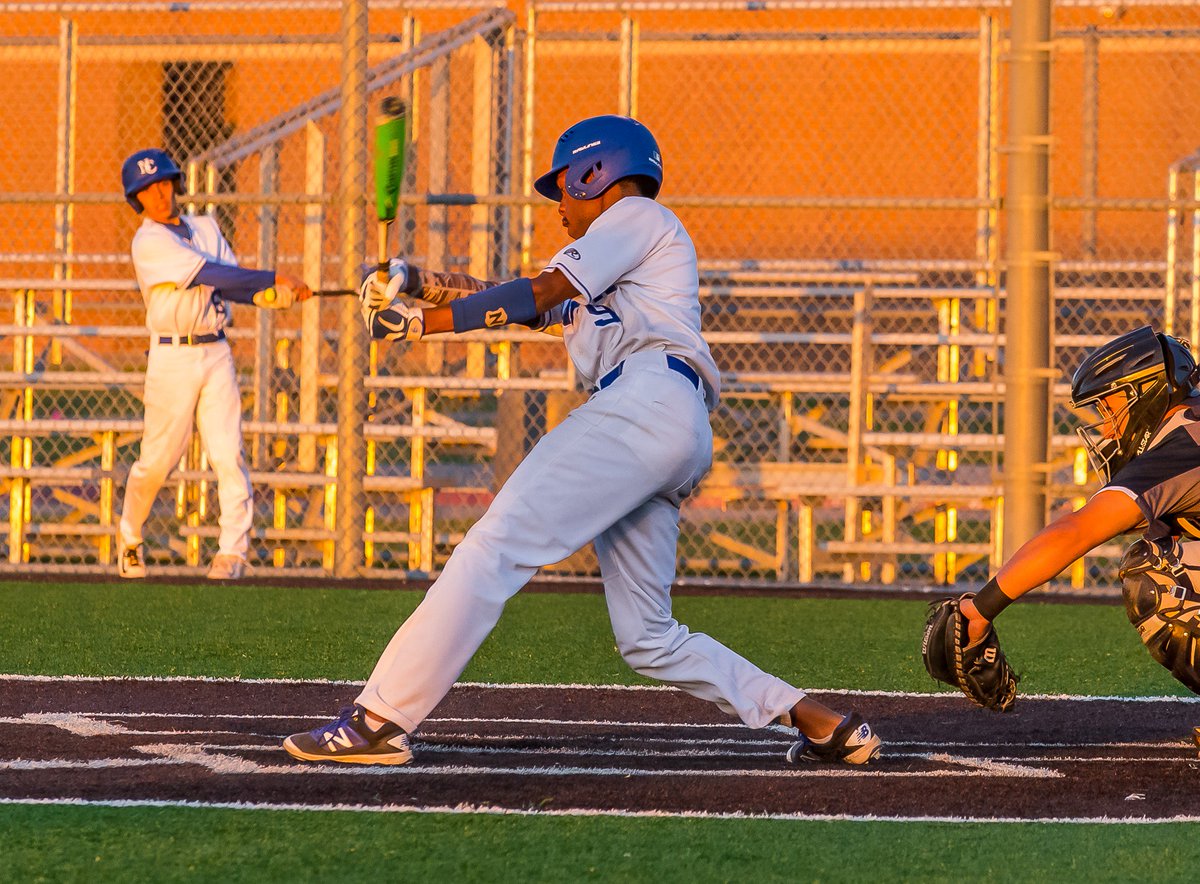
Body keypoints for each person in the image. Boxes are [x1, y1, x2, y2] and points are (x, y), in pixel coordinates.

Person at [283, 115, 881, 766]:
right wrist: (415, 280)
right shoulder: (621, 262)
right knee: (648, 636)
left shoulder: (633, 220)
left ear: (596, 172)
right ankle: (816, 718)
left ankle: (379, 719)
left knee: (494, 546)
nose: (559, 205)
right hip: (668, 421)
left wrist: (422, 325)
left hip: (642, 404)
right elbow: (533, 306)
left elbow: (541, 289)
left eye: (563, 186)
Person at [954, 325, 1200, 707]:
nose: (1106, 427)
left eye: (1110, 407)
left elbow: (1077, 531)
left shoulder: (1181, 444)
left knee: (1155, 576)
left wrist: (981, 608)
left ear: (1147, 394)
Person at [116, 148, 311, 581]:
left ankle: (232, 551)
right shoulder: (149, 240)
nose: (160, 194)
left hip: (215, 350)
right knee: (158, 460)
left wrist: (268, 296)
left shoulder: (204, 226)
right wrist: (274, 278)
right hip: (172, 356)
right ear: (138, 198)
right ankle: (129, 536)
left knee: (227, 452)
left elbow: (232, 284)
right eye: (148, 189)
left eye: (164, 184)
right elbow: (212, 275)